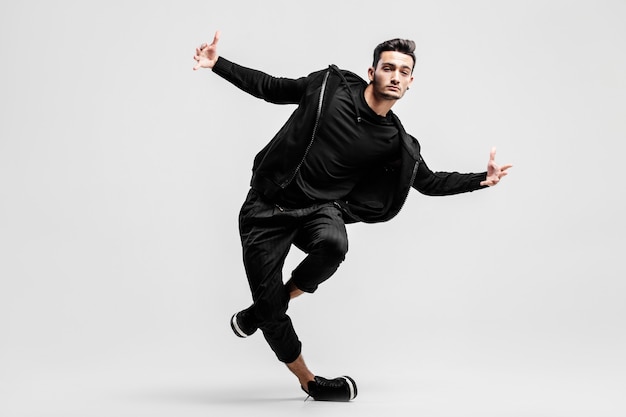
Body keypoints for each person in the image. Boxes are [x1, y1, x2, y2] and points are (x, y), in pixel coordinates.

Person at [193, 31, 512, 402]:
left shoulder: (396, 142)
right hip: (265, 208)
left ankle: (267, 308)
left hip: (319, 210)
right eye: (388, 67)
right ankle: (308, 379)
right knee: (271, 313)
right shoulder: (330, 88)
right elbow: (272, 87)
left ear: (410, 83)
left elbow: (428, 181)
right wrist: (218, 64)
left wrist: (480, 180)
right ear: (372, 71)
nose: (395, 76)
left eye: (403, 72)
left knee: (333, 243)